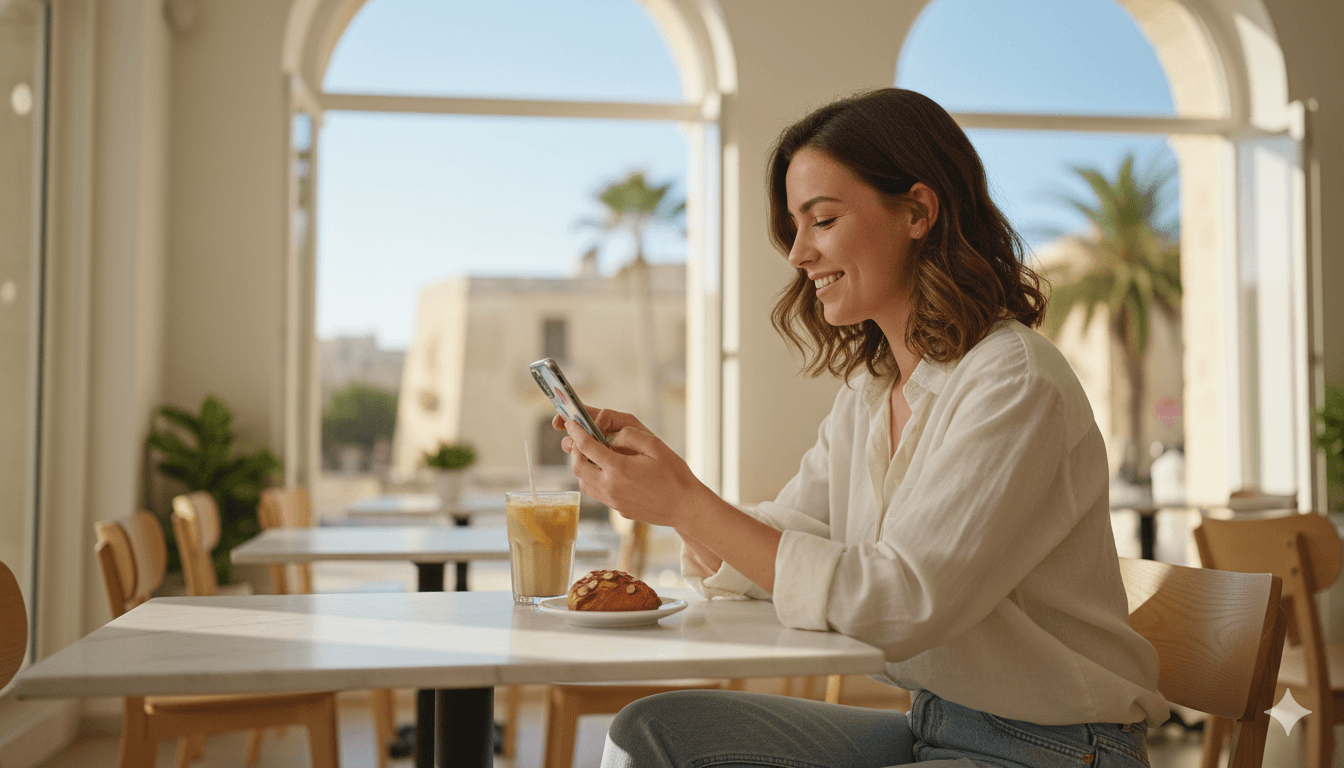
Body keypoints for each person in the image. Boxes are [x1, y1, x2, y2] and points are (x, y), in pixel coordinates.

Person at [554, 87, 1168, 768]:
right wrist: (673, 499)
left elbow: (901, 603)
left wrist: (685, 504)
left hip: (1054, 750)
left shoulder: (1013, 381)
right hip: (935, 726)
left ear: (917, 211)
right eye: (794, 226)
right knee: (652, 732)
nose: (797, 253)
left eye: (821, 220)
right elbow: (797, 537)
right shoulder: (872, 391)